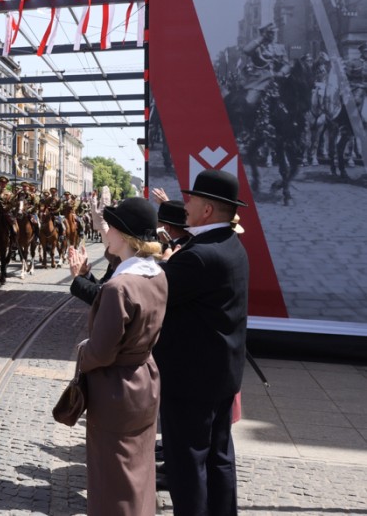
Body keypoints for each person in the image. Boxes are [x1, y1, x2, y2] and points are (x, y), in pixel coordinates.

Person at [154, 169, 249, 516]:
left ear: (207, 210)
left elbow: (148, 297)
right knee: (219, 458)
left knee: (187, 464)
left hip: (191, 381)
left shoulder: (198, 255)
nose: (186, 205)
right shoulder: (230, 243)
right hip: (222, 374)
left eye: (191, 199)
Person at [68, 197, 167, 516]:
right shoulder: (157, 274)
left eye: (110, 227)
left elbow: (101, 351)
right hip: (145, 381)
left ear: (124, 236)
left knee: (112, 478)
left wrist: (82, 352)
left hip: (116, 390)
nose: (105, 232)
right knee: (138, 472)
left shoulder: (119, 287)